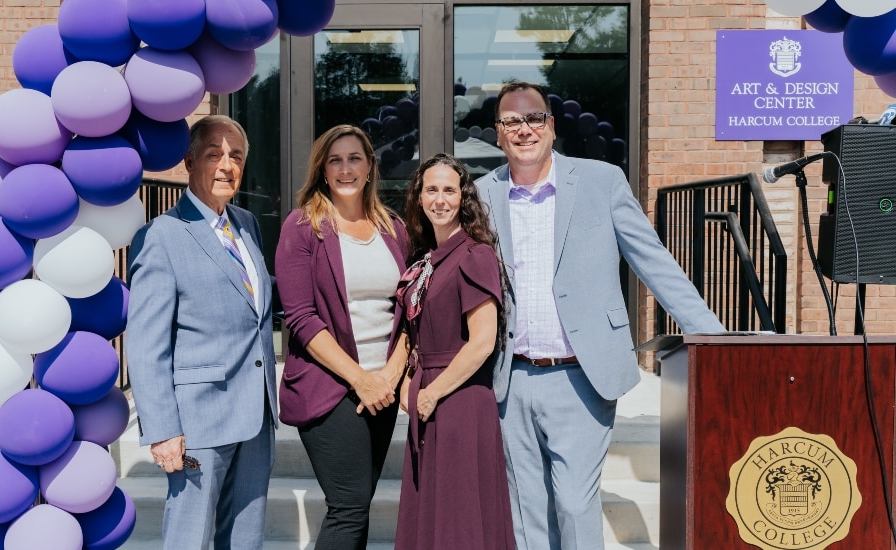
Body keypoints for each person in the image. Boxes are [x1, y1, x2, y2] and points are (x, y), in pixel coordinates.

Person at [476, 82, 725, 550]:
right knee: (526, 511)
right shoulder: (481, 194)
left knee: (573, 503)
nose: (523, 130)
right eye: (512, 122)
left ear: (550, 126)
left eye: (533, 119)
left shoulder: (601, 180)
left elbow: (652, 260)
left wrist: (711, 334)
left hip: (581, 374)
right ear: (498, 134)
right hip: (509, 376)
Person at [126, 115, 277, 550]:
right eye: (213, 154)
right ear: (190, 162)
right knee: (189, 538)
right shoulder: (161, 236)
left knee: (246, 537)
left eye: (236, 156)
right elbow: (146, 343)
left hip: (256, 414)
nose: (226, 165)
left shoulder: (247, 225)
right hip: (198, 421)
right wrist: (161, 429)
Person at [275, 124, 408, 549]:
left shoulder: (394, 229)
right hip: (330, 387)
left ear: (370, 168)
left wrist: (389, 374)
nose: (345, 168)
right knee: (348, 507)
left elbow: (409, 311)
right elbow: (300, 317)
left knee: (358, 505)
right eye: (335, 160)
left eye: (354, 159)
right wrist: (361, 379)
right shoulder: (302, 227)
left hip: (382, 389)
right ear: (322, 170)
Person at [393, 153, 515, 549]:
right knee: (431, 517)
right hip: (430, 396)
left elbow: (482, 341)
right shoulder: (427, 258)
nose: (440, 199)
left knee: (459, 522)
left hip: (459, 401)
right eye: (432, 190)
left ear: (464, 198)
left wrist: (432, 390)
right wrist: (411, 377)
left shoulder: (474, 255)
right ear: (419, 196)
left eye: (450, 190)